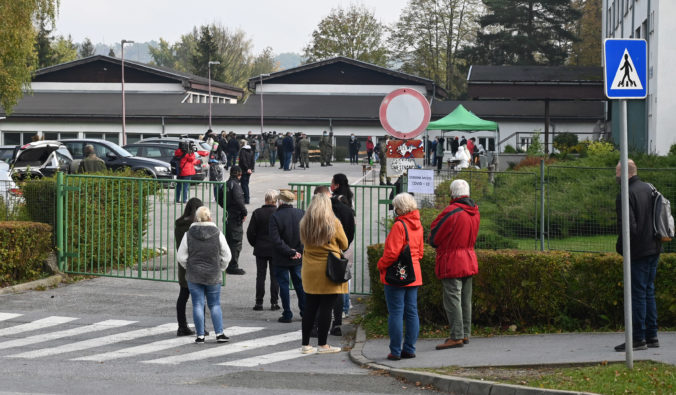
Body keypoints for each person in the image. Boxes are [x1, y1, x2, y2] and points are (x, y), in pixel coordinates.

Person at [614, 159, 662, 352]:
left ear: (625, 173)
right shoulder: (650, 188)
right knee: (648, 291)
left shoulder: (625, 194)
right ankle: (652, 336)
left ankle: (637, 338)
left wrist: (620, 247)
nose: (615, 176)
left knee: (637, 294)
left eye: (617, 172)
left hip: (638, 251)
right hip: (655, 247)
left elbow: (628, 228)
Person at [430, 179, 480, 350]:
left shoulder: (451, 212)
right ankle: (465, 333)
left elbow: (434, 237)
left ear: (452, 193)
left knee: (453, 300)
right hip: (469, 258)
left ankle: (456, 336)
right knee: (466, 300)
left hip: (452, 261)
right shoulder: (475, 211)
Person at [299, 193, 348, 354]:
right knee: (327, 307)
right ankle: (322, 344)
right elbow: (345, 244)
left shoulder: (305, 223)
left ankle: (305, 344)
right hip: (329, 269)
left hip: (309, 269)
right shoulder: (333, 223)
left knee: (310, 307)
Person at [377, 193, 424, 360]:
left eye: (395, 207)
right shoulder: (418, 224)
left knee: (396, 312)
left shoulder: (399, 226)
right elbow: (420, 252)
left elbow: (391, 254)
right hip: (414, 273)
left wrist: (380, 265)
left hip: (397, 274)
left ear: (399, 208)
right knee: (412, 312)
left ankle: (395, 351)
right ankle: (409, 349)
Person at [177, 206, 231, 343]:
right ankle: (219, 333)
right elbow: (227, 255)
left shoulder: (188, 234)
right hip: (213, 273)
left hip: (194, 274)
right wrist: (221, 267)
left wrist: (189, 267)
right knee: (215, 304)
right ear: (210, 217)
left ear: (196, 217)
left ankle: (200, 335)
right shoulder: (217, 233)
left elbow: (181, 257)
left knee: (197, 304)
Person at [269, 189, 306, 323]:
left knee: (283, 285)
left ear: (280, 201)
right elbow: (305, 235)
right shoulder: (301, 213)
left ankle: (287, 313)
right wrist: (298, 251)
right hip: (297, 256)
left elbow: (275, 239)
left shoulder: (275, 216)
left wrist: (289, 251)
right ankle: (304, 311)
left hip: (281, 256)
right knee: (300, 284)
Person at [247, 190, 281, 312]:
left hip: (260, 248)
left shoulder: (257, 213)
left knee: (260, 276)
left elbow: (250, 232)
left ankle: (259, 302)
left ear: (265, 199)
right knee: (274, 276)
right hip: (275, 249)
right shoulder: (278, 213)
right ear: (275, 201)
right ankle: (274, 302)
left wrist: (255, 244)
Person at [174, 198, 203, 337]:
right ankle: (201, 327)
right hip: (196, 264)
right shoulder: (195, 226)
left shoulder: (179, 224)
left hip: (183, 263)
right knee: (199, 298)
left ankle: (182, 326)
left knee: (183, 296)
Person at [219, 166, 247, 275]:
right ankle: (233, 266)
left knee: (228, 240)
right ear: (239, 174)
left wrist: (226, 207)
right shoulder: (236, 185)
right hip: (235, 217)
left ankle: (227, 263)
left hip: (228, 215)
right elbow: (239, 200)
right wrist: (244, 212)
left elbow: (219, 198)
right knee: (236, 241)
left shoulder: (226, 184)